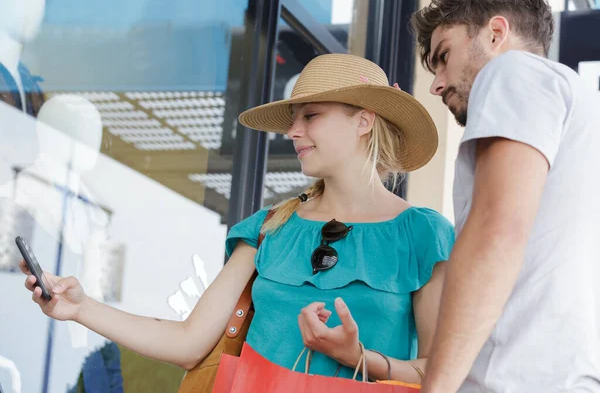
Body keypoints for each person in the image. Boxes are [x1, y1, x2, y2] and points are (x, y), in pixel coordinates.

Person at [21, 53, 455, 383]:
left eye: (311, 116)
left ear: (364, 121)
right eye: (293, 119)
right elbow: (190, 343)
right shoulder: (270, 227)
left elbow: (440, 374)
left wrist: (359, 357)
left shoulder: (423, 234)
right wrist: (80, 309)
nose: (293, 132)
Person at [410, 0, 600, 392]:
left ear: (496, 33)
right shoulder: (580, 106)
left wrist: (437, 388)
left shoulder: (512, 71)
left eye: (444, 55)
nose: (436, 84)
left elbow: (496, 233)